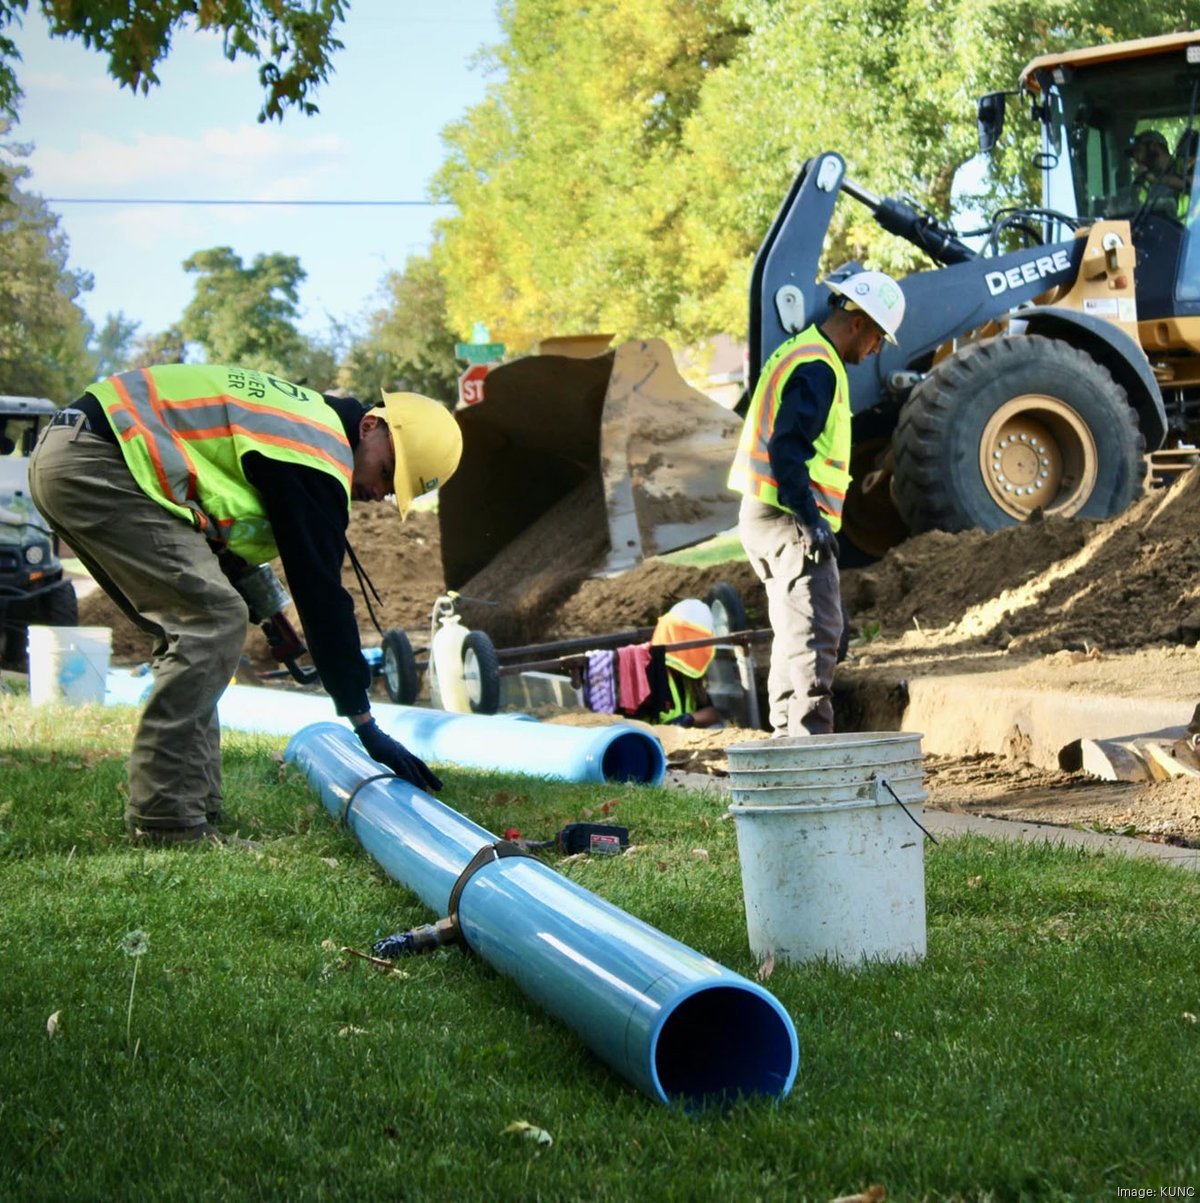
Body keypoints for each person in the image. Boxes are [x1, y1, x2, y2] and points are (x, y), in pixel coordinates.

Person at [27, 364, 463, 846]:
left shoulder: (300, 425)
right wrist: (364, 721)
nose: (378, 494)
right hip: (101, 461)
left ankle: (195, 808)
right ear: (369, 426)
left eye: (391, 492)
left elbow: (219, 533)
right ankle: (166, 820)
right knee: (210, 621)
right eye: (386, 473)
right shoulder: (316, 451)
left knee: (199, 625)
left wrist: (267, 610)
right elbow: (320, 594)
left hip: (81, 453)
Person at [728, 269, 905, 736]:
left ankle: (789, 744)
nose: (876, 351)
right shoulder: (818, 368)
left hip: (764, 514)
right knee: (816, 641)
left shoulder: (800, 351)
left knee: (799, 636)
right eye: (877, 338)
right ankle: (809, 751)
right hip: (788, 518)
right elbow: (787, 449)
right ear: (857, 322)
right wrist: (810, 520)